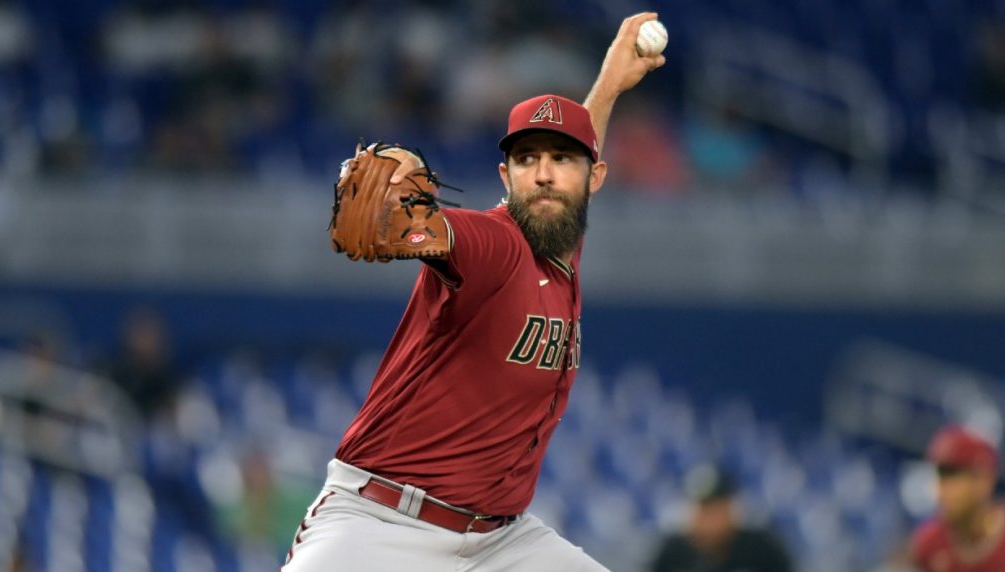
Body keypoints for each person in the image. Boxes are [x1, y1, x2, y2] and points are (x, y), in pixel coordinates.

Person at [281, 13, 665, 572]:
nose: (544, 174)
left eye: (562, 159)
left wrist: (607, 85)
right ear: (506, 178)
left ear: (594, 179)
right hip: (383, 525)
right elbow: (443, 235)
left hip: (502, 545)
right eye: (527, 159)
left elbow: (571, 179)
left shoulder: (561, 243)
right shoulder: (496, 244)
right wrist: (409, 227)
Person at [648, 465, 793, 572]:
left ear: (730, 509)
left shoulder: (761, 548)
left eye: (715, 509)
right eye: (703, 509)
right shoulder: (673, 552)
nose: (708, 519)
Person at [909, 425, 1005, 572]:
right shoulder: (930, 543)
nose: (941, 492)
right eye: (940, 478)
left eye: (953, 476)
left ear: (984, 481)